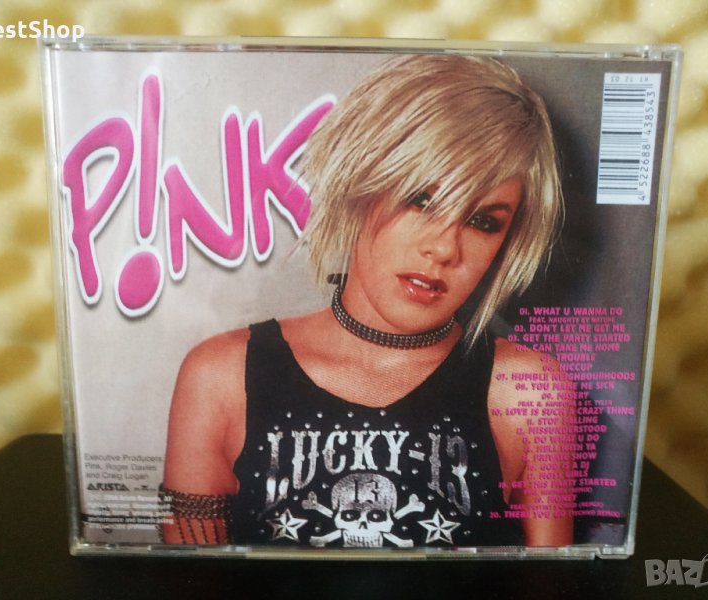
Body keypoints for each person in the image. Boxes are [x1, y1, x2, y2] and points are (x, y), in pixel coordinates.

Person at [161, 54, 573, 549]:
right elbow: (191, 577)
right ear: (361, 186)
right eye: (421, 200)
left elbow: (551, 582)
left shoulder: (527, 392)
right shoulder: (223, 376)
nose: (445, 248)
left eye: (483, 222)